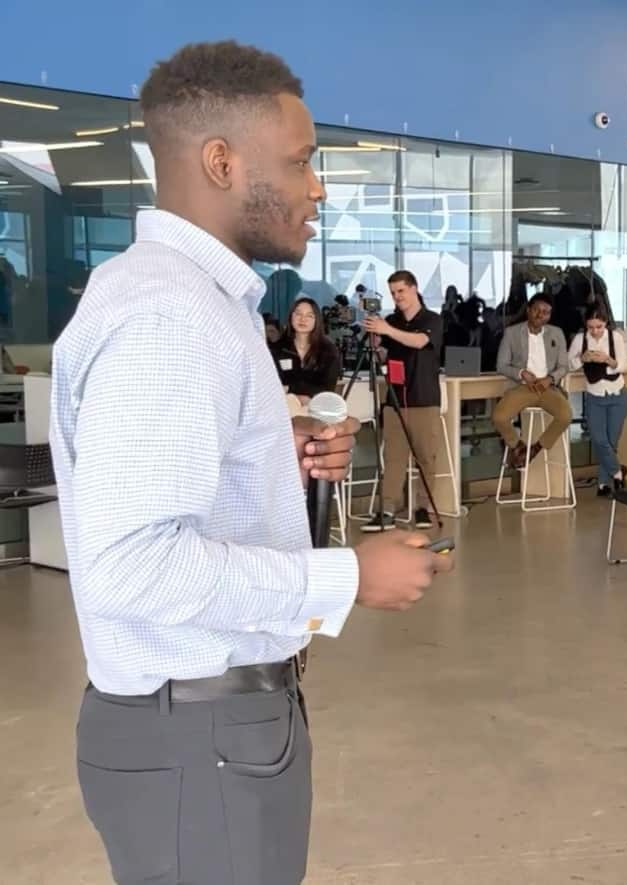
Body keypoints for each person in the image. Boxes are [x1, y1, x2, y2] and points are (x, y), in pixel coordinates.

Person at [49, 41, 453, 885]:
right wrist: (343, 575)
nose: (319, 188)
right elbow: (131, 561)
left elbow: (174, 486)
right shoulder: (170, 315)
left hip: (212, 734)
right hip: (199, 740)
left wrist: (274, 461)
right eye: (303, 161)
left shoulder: (192, 299)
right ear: (222, 161)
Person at [361, 270, 444, 531]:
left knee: (425, 458)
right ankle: (387, 509)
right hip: (395, 398)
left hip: (424, 397)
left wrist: (387, 330)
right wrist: (377, 343)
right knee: (394, 456)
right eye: (393, 293)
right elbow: (386, 355)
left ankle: (422, 507)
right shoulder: (390, 321)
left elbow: (420, 341)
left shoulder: (432, 319)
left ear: (414, 288)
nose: (397, 297)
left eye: (401, 291)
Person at [493, 294, 571, 468]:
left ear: (549, 315)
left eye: (545, 312)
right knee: (499, 417)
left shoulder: (556, 333)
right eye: (536, 310)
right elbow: (501, 365)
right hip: (523, 387)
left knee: (565, 416)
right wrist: (521, 373)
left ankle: (535, 449)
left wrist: (550, 378)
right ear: (528, 310)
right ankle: (518, 447)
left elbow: (564, 366)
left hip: (547, 387)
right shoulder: (512, 332)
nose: (540, 315)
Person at [569, 309, 627, 496]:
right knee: (599, 439)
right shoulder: (580, 339)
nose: (595, 331)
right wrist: (582, 359)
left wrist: (608, 360)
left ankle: (603, 483)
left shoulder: (616, 338)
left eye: (599, 327)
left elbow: (625, 365)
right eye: (591, 327)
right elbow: (568, 363)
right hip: (594, 395)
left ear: (606, 324)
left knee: (611, 441)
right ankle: (618, 472)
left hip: (617, 394)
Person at [272, 296, 343, 402]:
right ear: (291, 317)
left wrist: (290, 388)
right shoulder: (277, 348)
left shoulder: (328, 350)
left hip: (317, 406)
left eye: (309, 316)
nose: (303, 319)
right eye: (298, 314)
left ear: (317, 320)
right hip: (283, 406)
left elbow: (327, 389)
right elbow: (272, 385)